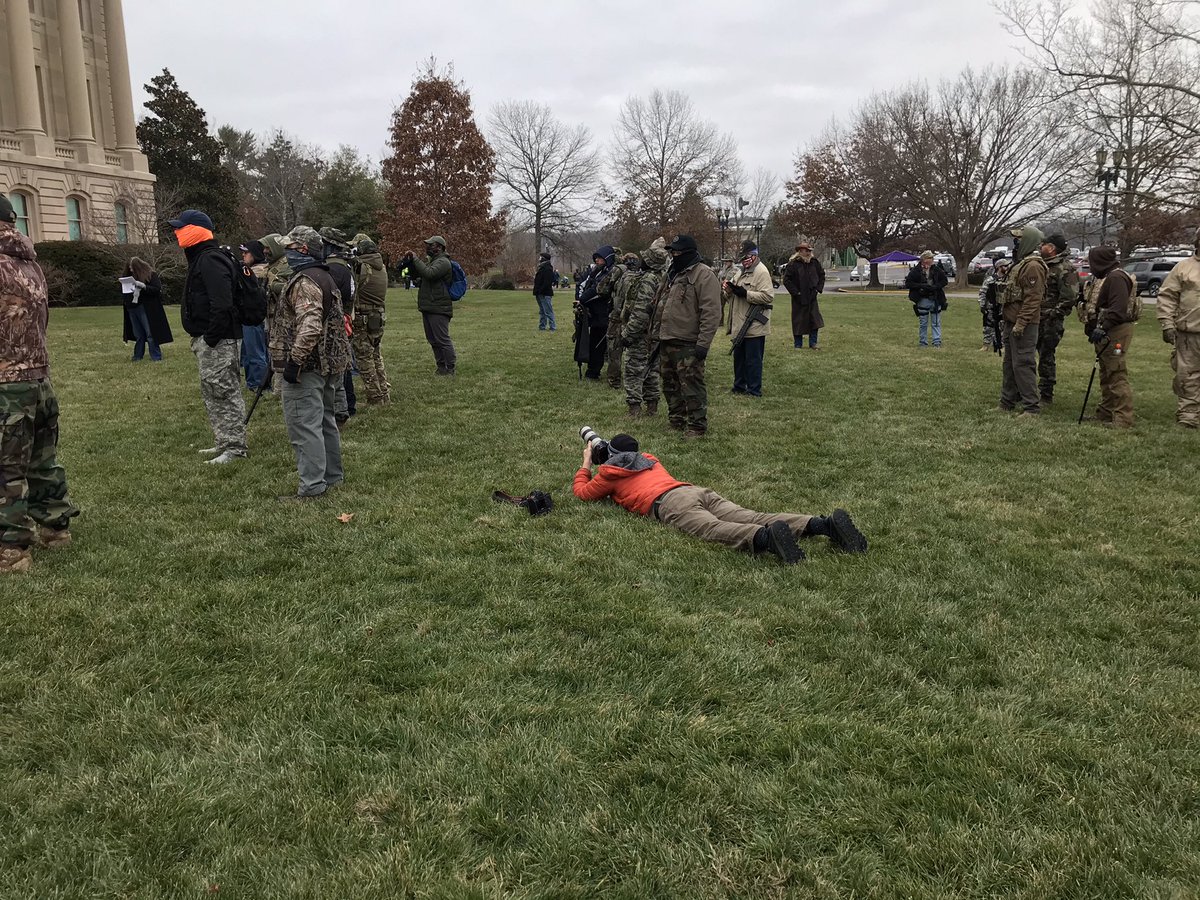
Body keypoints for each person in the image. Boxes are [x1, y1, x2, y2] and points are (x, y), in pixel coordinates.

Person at [572, 432, 867, 565]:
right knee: (752, 514)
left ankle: (764, 539)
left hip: (668, 504)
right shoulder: (649, 459)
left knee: (712, 528)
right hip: (693, 490)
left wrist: (587, 463)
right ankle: (822, 525)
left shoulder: (608, 475)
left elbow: (583, 494)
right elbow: (628, 455)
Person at [0, 194, 80, 574]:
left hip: (6, 384)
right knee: (42, 460)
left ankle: (12, 551)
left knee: (6, 470)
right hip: (39, 377)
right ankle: (55, 529)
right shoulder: (30, 264)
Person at [272, 227, 351, 499]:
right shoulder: (324, 276)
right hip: (330, 363)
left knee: (304, 425)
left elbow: (311, 325)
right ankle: (332, 477)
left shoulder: (305, 281)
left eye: (290, 248)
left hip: (309, 367)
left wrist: (294, 361)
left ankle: (313, 487)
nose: (287, 253)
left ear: (303, 250)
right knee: (325, 421)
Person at [171, 209, 248, 464]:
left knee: (224, 391)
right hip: (211, 338)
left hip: (219, 339)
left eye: (182, 228)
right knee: (213, 392)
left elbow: (222, 303)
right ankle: (224, 441)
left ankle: (235, 447)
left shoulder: (210, 260)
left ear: (197, 231)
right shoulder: (202, 258)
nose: (177, 233)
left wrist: (211, 338)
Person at [657, 235, 722, 437]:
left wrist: (703, 344)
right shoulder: (672, 274)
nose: (674, 256)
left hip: (689, 342)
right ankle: (676, 419)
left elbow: (711, 312)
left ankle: (697, 425)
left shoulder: (704, 276)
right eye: (672, 252)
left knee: (691, 385)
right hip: (667, 338)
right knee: (669, 384)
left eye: (677, 252)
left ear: (688, 253)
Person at [1080, 245, 1138, 428]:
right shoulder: (1109, 277)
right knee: (1105, 372)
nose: (1090, 265)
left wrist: (1103, 327)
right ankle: (1105, 412)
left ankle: (1123, 418)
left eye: (1092, 261)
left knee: (1116, 372)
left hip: (1116, 330)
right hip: (1108, 330)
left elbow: (1118, 309)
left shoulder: (1116, 278)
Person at [999, 226, 1048, 416]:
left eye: (1019, 239)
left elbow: (1033, 299)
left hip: (1025, 324)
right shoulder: (1019, 263)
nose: (1016, 243)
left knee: (1023, 364)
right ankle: (1007, 401)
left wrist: (1021, 323)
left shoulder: (1033, 266)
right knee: (1010, 363)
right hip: (1011, 321)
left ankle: (1031, 407)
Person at [619, 239, 669, 418]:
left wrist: (627, 334)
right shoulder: (663, 277)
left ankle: (634, 409)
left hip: (641, 334)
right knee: (652, 370)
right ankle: (652, 407)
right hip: (655, 333)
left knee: (633, 370)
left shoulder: (648, 279)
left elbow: (641, 310)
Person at [1156, 228, 1200, 429]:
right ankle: (1189, 416)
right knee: (1187, 375)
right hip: (1189, 333)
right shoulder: (1184, 268)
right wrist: (1167, 324)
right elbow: (1167, 296)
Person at [723, 241, 774, 397]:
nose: (743, 260)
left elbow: (768, 296)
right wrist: (729, 290)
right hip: (740, 323)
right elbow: (733, 295)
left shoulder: (761, 272)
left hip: (754, 324)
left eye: (746, 257)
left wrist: (745, 294)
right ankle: (739, 386)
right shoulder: (741, 271)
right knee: (739, 358)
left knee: (753, 360)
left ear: (754, 255)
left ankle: (754, 390)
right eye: (742, 258)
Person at [1036, 234, 1081, 405]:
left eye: (1044, 244)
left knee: (1046, 356)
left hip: (1050, 321)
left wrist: (1053, 313)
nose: (1041, 247)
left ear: (1052, 247)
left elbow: (1070, 297)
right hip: (1036, 317)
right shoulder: (1043, 265)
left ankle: (1046, 394)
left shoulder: (1065, 269)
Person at [319, 227, 357, 424]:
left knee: (337, 369)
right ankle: (349, 405)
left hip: (335, 321)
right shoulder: (346, 266)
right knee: (345, 365)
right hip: (346, 318)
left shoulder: (332, 268)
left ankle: (343, 409)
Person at [404, 236, 457, 375]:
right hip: (429, 306)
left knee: (442, 339)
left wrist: (416, 259)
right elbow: (424, 277)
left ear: (439, 247)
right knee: (433, 339)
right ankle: (441, 367)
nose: (428, 247)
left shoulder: (444, 262)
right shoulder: (433, 261)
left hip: (439, 307)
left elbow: (430, 274)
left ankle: (450, 368)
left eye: (431, 245)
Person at [350, 234, 391, 405]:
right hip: (378, 316)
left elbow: (352, 289)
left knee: (364, 358)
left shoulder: (362, 267)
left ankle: (374, 397)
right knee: (376, 356)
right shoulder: (381, 267)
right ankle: (384, 392)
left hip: (363, 316)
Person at [121, 256, 172, 362]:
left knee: (150, 333)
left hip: (146, 307)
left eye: (133, 267)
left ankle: (156, 356)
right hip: (132, 307)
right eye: (129, 267)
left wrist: (144, 287)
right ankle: (137, 356)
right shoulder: (128, 276)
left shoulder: (150, 275)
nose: (131, 269)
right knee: (138, 334)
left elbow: (156, 289)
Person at [577, 246, 617, 381]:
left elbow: (597, 290)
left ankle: (595, 371)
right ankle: (593, 370)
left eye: (600, 259)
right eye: (596, 259)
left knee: (600, 345)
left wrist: (583, 299)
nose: (597, 261)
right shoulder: (597, 272)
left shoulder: (611, 273)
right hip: (596, 314)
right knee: (595, 343)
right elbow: (586, 285)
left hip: (605, 314)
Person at [239, 240, 271, 391]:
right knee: (249, 353)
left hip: (255, 318)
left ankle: (260, 384)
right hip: (249, 318)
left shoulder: (258, 272)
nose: (243, 255)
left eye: (246, 252)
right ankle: (252, 382)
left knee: (256, 353)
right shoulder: (253, 270)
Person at [604, 251, 639, 388]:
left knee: (614, 349)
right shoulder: (644, 277)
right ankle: (636, 380)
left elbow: (603, 289)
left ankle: (614, 380)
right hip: (636, 319)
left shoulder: (619, 276)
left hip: (617, 317)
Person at [782, 241, 825, 349]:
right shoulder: (793, 264)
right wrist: (796, 292)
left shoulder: (814, 262)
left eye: (806, 250)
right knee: (798, 321)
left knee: (814, 321)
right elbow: (787, 280)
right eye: (802, 250)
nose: (804, 252)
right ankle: (798, 344)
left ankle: (813, 343)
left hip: (812, 297)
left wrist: (818, 289)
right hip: (799, 298)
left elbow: (821, 275)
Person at [905, 251, 949, 348]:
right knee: (923, 323)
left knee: (936, 322)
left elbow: (944, 281)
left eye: (931, 261)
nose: (929, 263)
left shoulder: (937, 270)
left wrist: (936, 286)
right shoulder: (915, 271)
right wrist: (922, 286)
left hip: (936, 299)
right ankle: (923, 342)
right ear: (923, 260)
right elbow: (908, 283)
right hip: (922, 299)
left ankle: (936, 342)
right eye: (927, 261)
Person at [978, 258, 1010, 352]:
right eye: (1005, 266)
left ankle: (1003, 345)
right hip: (991, 306)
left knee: (1003, 327)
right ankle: (986, 345)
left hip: (1003, 307)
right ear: (999, 267)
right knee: (988, 326)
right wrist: (982, 305)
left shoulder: (1008, 279)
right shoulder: (990, 280)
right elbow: (983, 292)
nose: (1007, 267)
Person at [532, 251, 557, 331]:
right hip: (540, 293)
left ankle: (552, 327)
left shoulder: (548, 269)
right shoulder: (542, 268)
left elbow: (547, 282)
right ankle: (542, 326)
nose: (539, 259)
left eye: (540, 257)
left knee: (548, 311)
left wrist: (540, 290)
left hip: (545, 293)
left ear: (544, 259)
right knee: (542, 311)